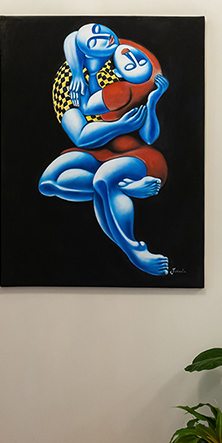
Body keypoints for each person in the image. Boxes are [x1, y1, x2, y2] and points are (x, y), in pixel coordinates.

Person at [38, 23, 170, 275]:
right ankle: (122, 186)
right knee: (49, 180)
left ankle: (133, 249)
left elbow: (149, 137)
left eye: (100, 30)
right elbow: (82, 135)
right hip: (103, 153)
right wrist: (120, 124)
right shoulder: (80, 85)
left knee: (102, 180)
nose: (103, 37)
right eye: (93, 41)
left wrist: (153, 102)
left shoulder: (121, 75)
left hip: (138, 155)